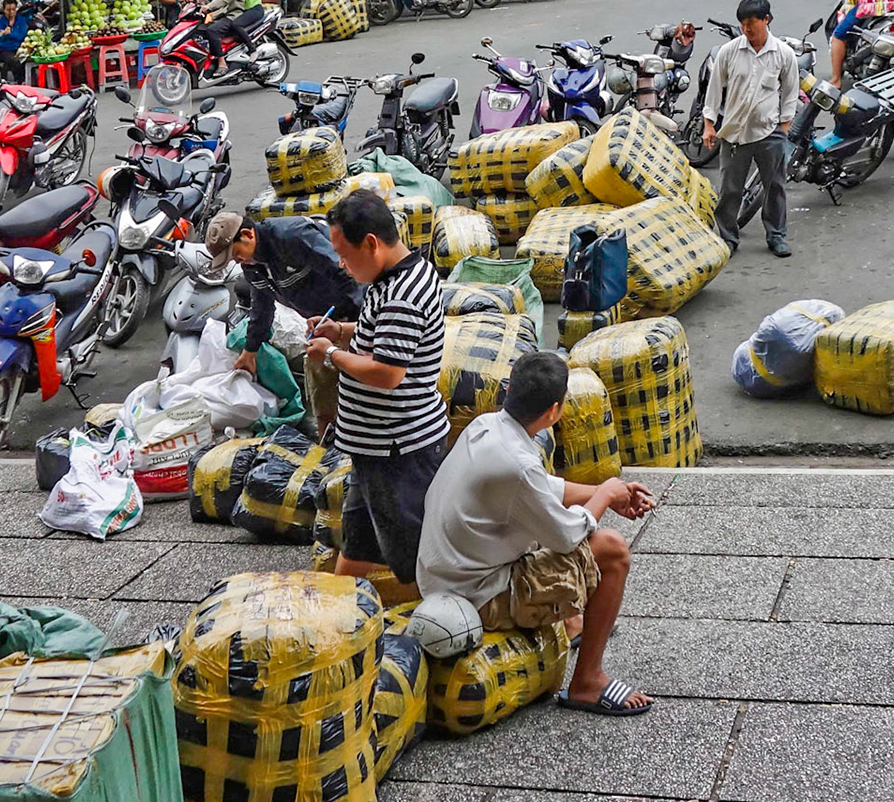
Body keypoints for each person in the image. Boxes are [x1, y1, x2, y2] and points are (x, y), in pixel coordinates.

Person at [417, 351, 657, 717]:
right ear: (554, 411)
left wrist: (605, 492)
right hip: (472, 596)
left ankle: (573, 622)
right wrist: (606, 494)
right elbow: (567, 537)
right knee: (613, 549)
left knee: (546, 526)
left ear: (509, 390)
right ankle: (588, 682)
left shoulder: (486, 426)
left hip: (442, 574)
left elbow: (541, 488)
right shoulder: (517, 464)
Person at [309, 190, 447, 590]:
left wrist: (332, 354)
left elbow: (387, 372)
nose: (341, 263)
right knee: (358, 545)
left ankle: (450, 626)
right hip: (374, 449)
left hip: (398, 450)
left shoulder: (402, 293)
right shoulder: (393, 277)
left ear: (371, 243)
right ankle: (339, 617)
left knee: (421, 558)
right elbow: (384, 334)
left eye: (344, 253)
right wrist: (343, 330)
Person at [208, 212, 366, 438]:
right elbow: (262, 306)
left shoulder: (291, 236)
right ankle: (330, 440)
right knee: (322, 383)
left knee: (361, 382)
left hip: (354, 312)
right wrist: (250, 350)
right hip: (323, 323)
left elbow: (347, 273)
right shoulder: (253, 265)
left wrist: (359, 323)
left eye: (235, 254)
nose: (237, 261)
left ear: (247, 234)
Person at [700, 0, 796, 258]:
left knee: (775, 187)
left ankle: (776, 235)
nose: (746, 29)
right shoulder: (729, 52)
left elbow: (790, 93)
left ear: (766, 20)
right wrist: (709, 125)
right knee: (730, 189)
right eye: (742, 24)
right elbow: (714, 91)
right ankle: (728, 237)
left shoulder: (783, 54)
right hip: (734, 134)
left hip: (770, 132)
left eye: (751, 23)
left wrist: (784, 130)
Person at [0, 0, 31, 81]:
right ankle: (20, 81)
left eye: (13, 9)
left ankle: (20, 79)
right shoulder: (0, 22)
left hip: (19, 47)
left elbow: (22, 35)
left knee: (23, 59)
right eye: (8, 10)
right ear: (4, 10)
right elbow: (0, 40)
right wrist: (5, 35)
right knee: (14, 61)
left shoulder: (21, 20)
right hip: (5, 50)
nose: (11, 12)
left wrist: (10, 34)